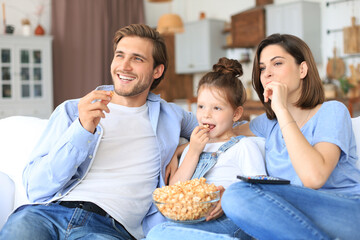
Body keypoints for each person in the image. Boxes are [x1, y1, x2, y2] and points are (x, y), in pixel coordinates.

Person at [0, 24, 198, 240]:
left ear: (157, 71)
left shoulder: (170, 116)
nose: (124, 66)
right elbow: (36, 188)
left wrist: (184, 147)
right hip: (46, 215)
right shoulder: (72, 110)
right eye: (119, 55)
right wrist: (82, 129)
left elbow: (226, 126)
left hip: (108, 229)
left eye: (137, 59)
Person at [221, 34, 360, 240]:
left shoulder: (331, 111)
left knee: (236, 195)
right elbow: (222, 129)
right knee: (162, 232)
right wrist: (185, 147)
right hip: (292, 219)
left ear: (302, 69)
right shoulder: (269, 124)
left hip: (344, 212)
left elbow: (314, 177)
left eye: (277, 63)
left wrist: (280, 108)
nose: (267, 73)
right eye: (262, 68)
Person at [146, 57, 267, 240]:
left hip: (230, 221)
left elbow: (260, 191)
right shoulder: (193, 147)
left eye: (217, 108)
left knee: (159, 234)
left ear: (236, 114)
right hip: (192, 221)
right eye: (201, 106)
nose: (206, 115)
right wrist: (193, 151)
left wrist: (229, 198)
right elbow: (175, 190)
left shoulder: (244, 147)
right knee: (157, 231)